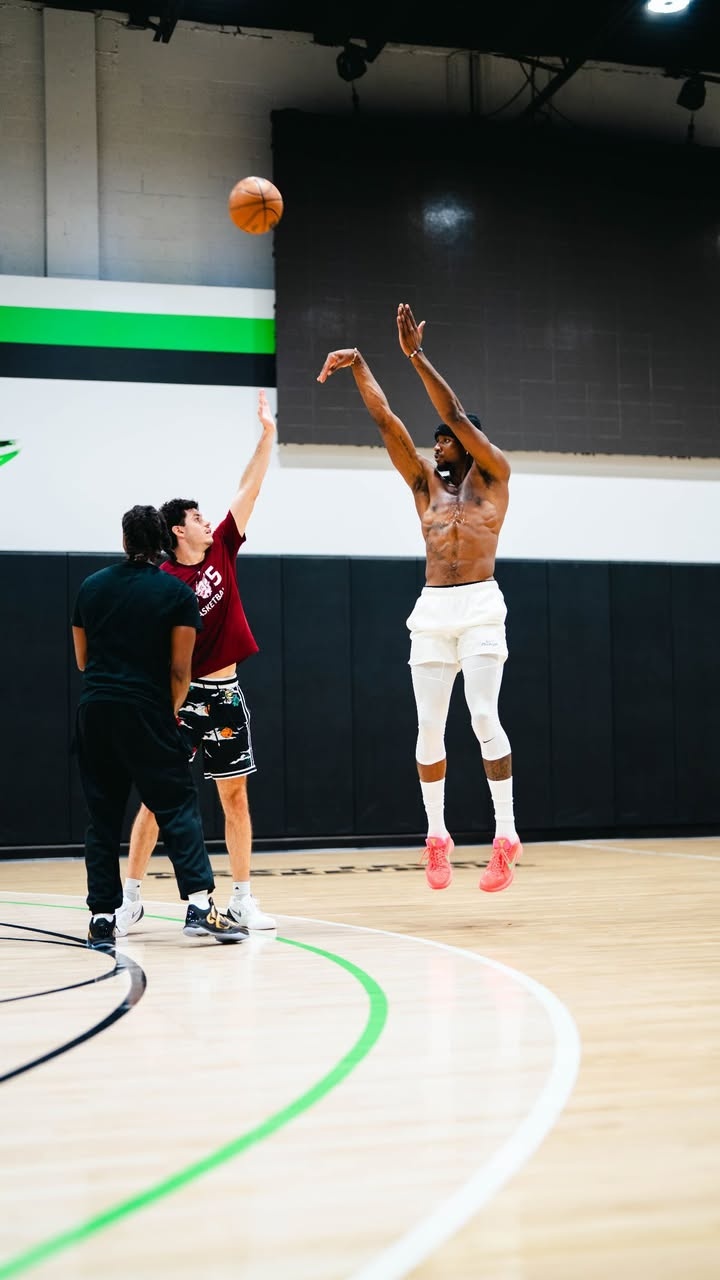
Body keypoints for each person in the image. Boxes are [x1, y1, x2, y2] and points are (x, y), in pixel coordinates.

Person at [317, 303, 522, 894]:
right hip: (433, 610)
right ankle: (437, 836)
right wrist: (360, 364)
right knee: (429, 726)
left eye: (446, 441)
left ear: (470, 444)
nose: (437, 446)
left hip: (479, 606)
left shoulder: (495, 476)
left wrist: (415, 356)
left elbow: (453, 412)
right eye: (435, 441)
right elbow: (388, 424)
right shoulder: (425, 488)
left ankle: (505, 835)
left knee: (482, 716)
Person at [115, 389, 277, 936]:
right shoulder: (164, 581)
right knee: (155, 801)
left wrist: (268, 436)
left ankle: (243, 899)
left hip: (226, 695)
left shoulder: (224, 547)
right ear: (178, 531)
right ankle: (130, 899)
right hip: (181, 701)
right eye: (198, 518)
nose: (209, 522)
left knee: (235, 797)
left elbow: (249, 487)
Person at [71, 505, 247, 948]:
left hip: (96, 711)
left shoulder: (91, 586)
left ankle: (102, 917)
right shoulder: (175, 593)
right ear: (162, 543)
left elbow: (83, 660)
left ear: (125, 541)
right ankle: (201, 906)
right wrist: (167, 712)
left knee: (102, 818)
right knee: (177, 806)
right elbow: (181, 671)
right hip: (147, 710)